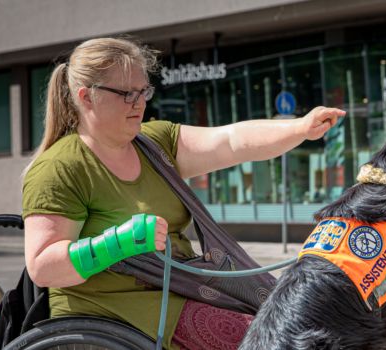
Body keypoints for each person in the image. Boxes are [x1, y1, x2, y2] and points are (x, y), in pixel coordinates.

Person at [21, 37, 344, 350]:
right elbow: (43, 266)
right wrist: (118, 242)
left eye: (143, 90)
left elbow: (230, 140)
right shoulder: (58, 167)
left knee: (296, 322)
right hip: (114, 308)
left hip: (181, 289)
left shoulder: (155, 142)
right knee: (263, 338)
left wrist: (300, 128)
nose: (140, 102)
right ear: (86, 96)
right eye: (126, 94)